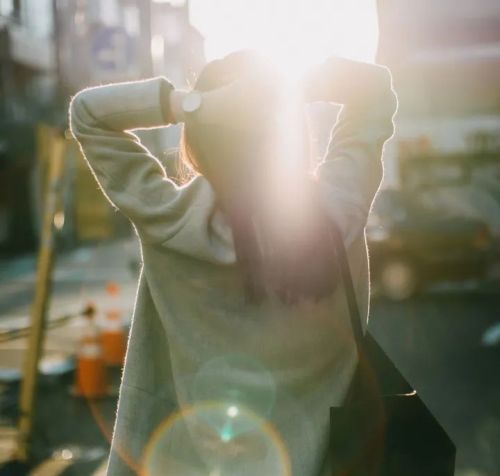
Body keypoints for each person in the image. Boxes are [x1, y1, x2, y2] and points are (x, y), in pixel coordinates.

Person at [69, 51, 397, 476]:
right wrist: (295, 90)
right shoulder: (337, 212)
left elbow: (86, 115)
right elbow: (375, 90)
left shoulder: (168, 219)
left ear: (199, 138)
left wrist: (193, 104)